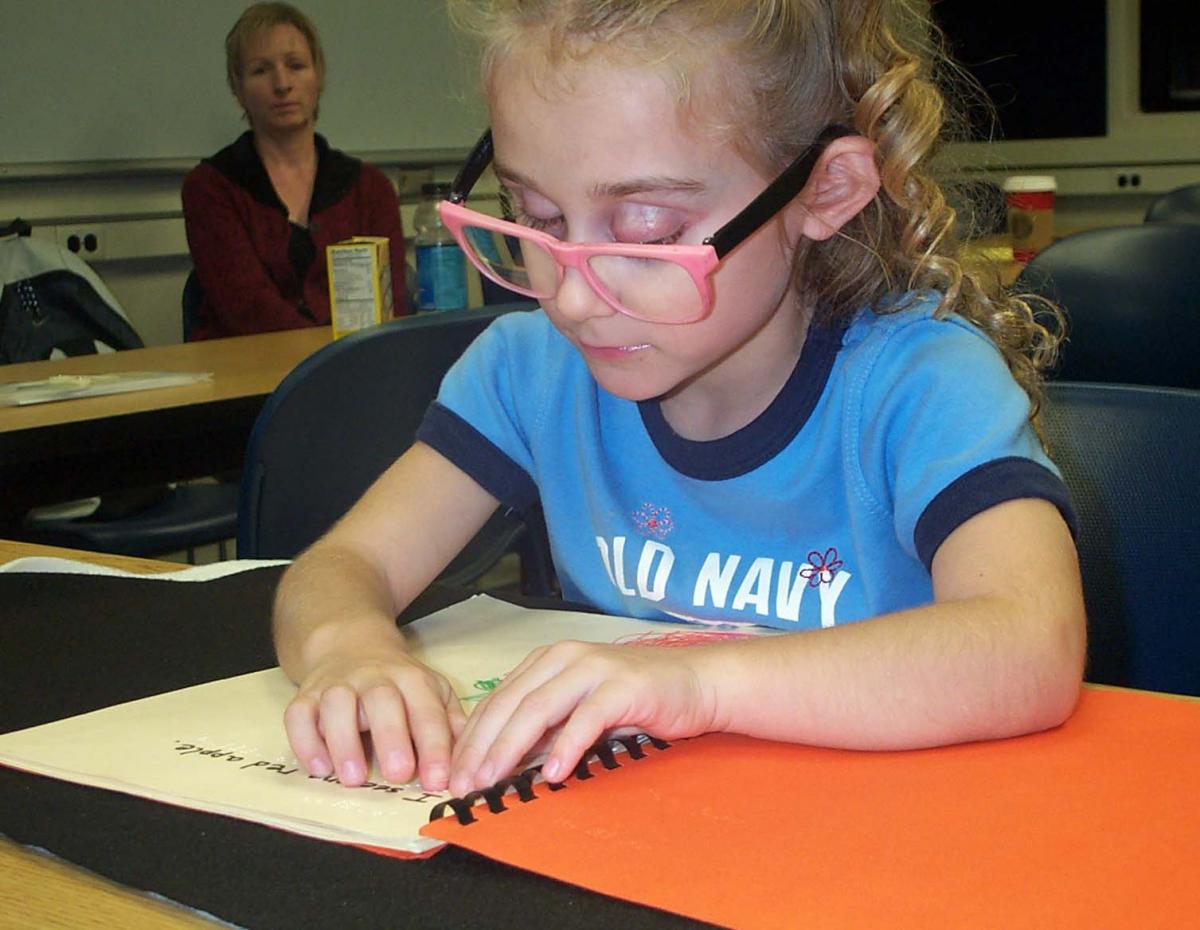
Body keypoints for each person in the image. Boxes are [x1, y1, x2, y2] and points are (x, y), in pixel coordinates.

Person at [272, 0, 1086, 798]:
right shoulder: (534, 372)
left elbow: (1030, 644)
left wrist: (695, 684)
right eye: (536, 216)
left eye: (648, 233)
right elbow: (344, 565)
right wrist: (350, 651)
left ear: (825, 189)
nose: (572, 298)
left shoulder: (920, 384)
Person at [181, 2, 408, 340]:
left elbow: (392, 309)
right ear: (238, 90)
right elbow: (246, 309)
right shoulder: (210, 188)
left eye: (296, 66)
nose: (282, 84)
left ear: (318, 77)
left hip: (352, 364)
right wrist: (321, 357)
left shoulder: (370, 189)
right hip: (248, 366)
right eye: (261, 70)